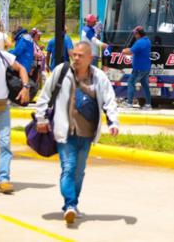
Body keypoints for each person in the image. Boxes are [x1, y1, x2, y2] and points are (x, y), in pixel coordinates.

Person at [34, 41, 119, 224]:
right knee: (68, 167)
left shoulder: (99, 77)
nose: (77, 58)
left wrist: (113, 122)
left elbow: (109, 100)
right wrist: (40, 118)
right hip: (65, 132)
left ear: (90, 58)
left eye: (81, 56)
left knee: (79, 172)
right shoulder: (62, 71)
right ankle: (70, 205)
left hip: (87, 134)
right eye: (75, 55)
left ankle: (72, 203)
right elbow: (45, 95)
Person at [0, 30, 30, 194]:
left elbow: (21, 69)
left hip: (2, 108)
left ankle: (4, 179)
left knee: (5, 144)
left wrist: (25, 87)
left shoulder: (4, 57)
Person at [122, 26, 152, 110]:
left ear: (139, 34)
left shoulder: (140, 42)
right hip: (146, 68)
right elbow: (134, 50)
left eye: (135, 33)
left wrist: (124, 51)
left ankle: (129, 104)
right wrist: (129, 49)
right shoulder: (147, 41)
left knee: (131, 83)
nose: (134, 35)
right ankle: (148, 105)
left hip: (139, 68)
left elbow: (130, 51)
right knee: (145, 85)